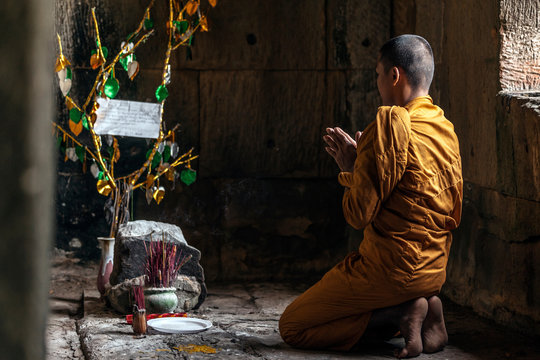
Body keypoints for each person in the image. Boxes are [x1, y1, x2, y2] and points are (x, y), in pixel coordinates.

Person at [279, 34, 463, 358]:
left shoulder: (389, 124)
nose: (377, 82)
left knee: (293, 326)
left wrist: (353, 166)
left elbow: (357, 214)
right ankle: (425, 307)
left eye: (378, 74)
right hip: (434, 270)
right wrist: (367, 159)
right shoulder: (444, 127)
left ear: (395, 75)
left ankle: (400, 314)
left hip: (391, 271)